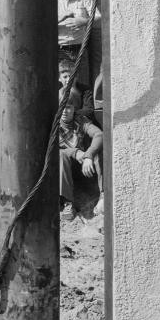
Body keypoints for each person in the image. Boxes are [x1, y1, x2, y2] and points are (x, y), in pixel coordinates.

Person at [58, 85, 104, 222]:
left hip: (83, 166)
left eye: (69, 107)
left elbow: (99, 134)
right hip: (62, 170)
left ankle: (103, 195)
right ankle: (67, 202)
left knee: (99, 152)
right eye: (62, 107)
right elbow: (51, 148)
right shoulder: (55, 124)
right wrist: (75, 152)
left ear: (75, 108)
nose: (65, 111)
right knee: (60, 155)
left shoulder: (80, 120)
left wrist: (89, 155)